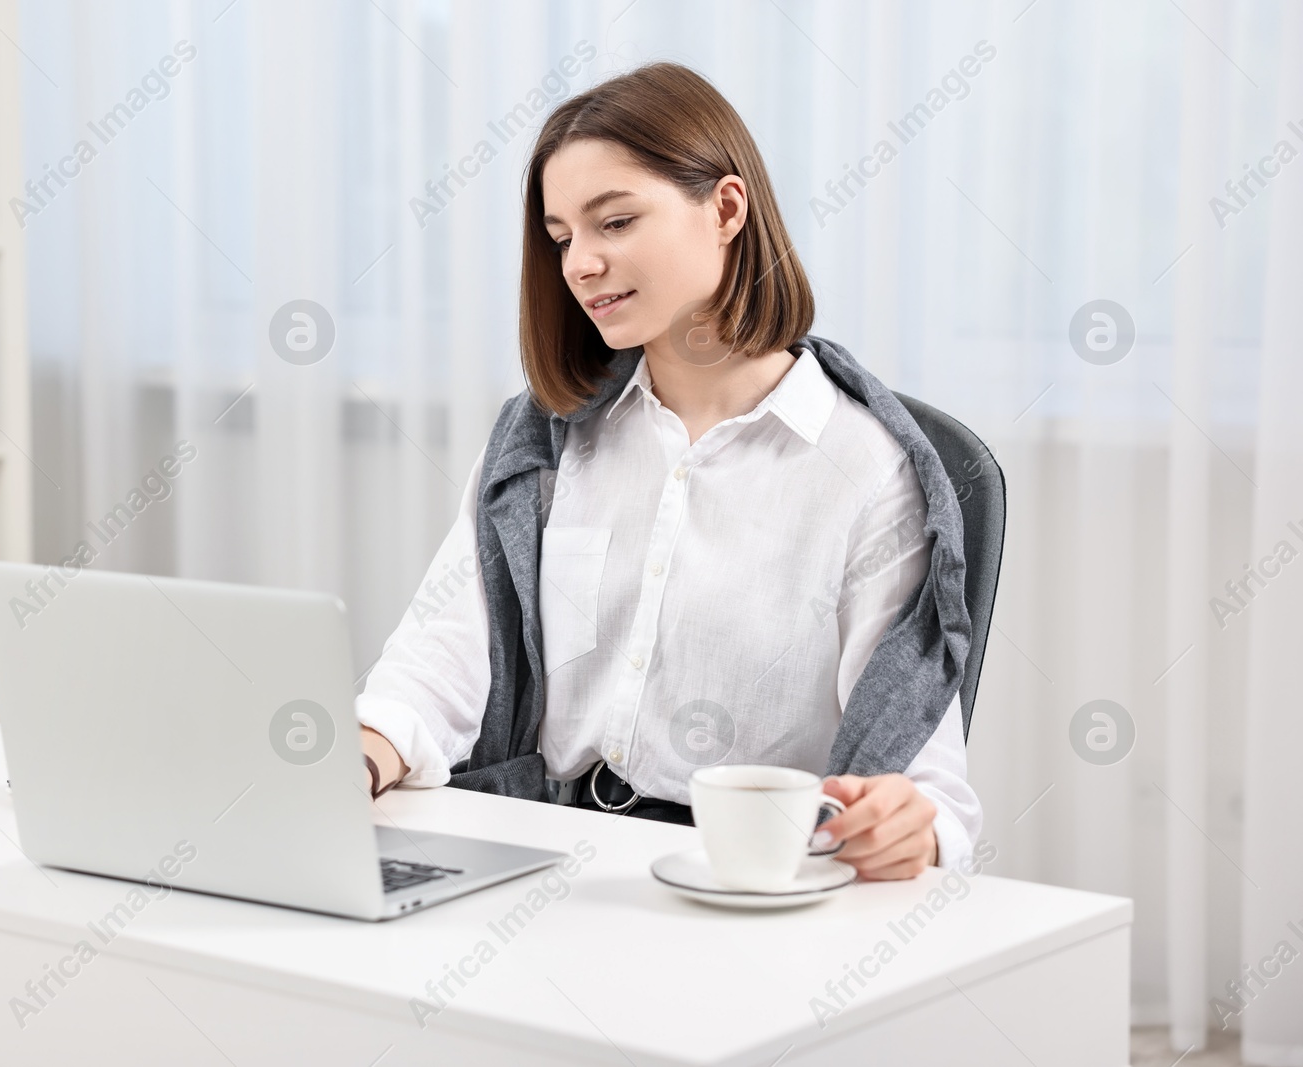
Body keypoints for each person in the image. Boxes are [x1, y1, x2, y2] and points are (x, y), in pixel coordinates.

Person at [357, 61, 981, 881]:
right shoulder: (540, 444)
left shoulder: (866, 467)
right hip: (545, 864)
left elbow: (926, 783)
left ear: (726, 208)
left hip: (740, 880)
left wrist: (914, 826)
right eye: (560, 238)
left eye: (613, 222)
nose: (578, 263)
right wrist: (357, 755)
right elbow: (438, 661)